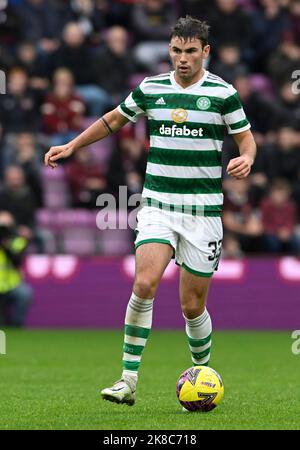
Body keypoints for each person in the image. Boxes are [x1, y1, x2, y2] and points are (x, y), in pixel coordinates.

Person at [44, 16, 256, 407]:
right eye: (176, 50)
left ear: (205, 52)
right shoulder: (151, 88)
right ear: (170, 51)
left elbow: (246, 138)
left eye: (191, 51)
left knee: (192, 306)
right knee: (144, 283)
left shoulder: (223, 93)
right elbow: (112, 120)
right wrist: (73, 146)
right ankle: (127, 380)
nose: (182, 59)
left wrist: (246, 158)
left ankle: (203, 377)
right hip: (157, 204)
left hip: (202, 212)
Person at [0, 211, 32, 327]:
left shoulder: (17, 241)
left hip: (12, 284)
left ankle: (17, 324)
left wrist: (6, 246)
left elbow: (16, 260)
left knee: (25, 293)